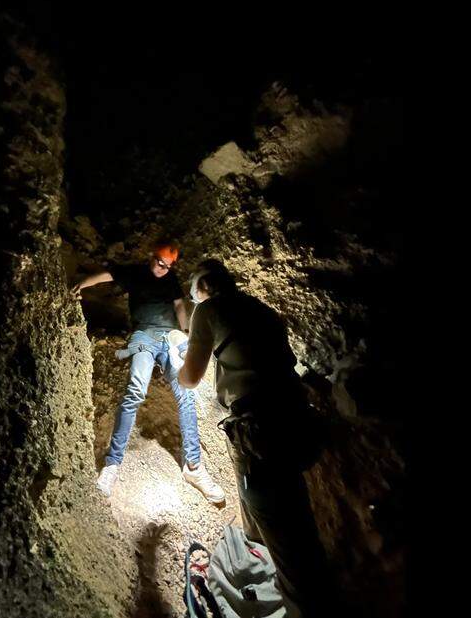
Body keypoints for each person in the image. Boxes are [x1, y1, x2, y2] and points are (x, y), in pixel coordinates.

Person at [179, 259, 337, 617]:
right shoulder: (260, 309)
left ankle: (310, 606)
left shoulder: (208, 310)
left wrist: (180, 360)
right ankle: (265, 566)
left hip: (261, 430)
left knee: (286, 536)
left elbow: (190, 377)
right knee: (289, 511)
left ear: (202, 289)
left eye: (194, 294)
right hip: (294, 419)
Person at [72, 243, 225, 503]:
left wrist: (185, 334)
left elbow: (179, 306)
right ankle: (113, 464)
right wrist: (81, 285)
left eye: (168, 267)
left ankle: (193, 467)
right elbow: (106, 275)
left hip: (171, 336)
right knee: (135, 390)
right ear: (151, 257)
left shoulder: (171, 279)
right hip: (144, 335)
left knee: (186, 393)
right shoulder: (134, 273)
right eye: (160, 263)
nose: (163, 270)